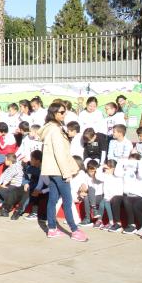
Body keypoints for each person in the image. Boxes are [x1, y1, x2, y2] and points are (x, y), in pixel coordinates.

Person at [40, 103, 88, 241]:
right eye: (61, 112)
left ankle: (52, 229)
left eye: (64, 111)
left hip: (53, 169)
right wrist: (66, 172)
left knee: (53, 199)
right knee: (67, 200)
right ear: (54, 113)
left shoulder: (51, 128)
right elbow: (60, 153)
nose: (64, 114)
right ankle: (74, 230)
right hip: (59, 170)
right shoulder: (55, 130)